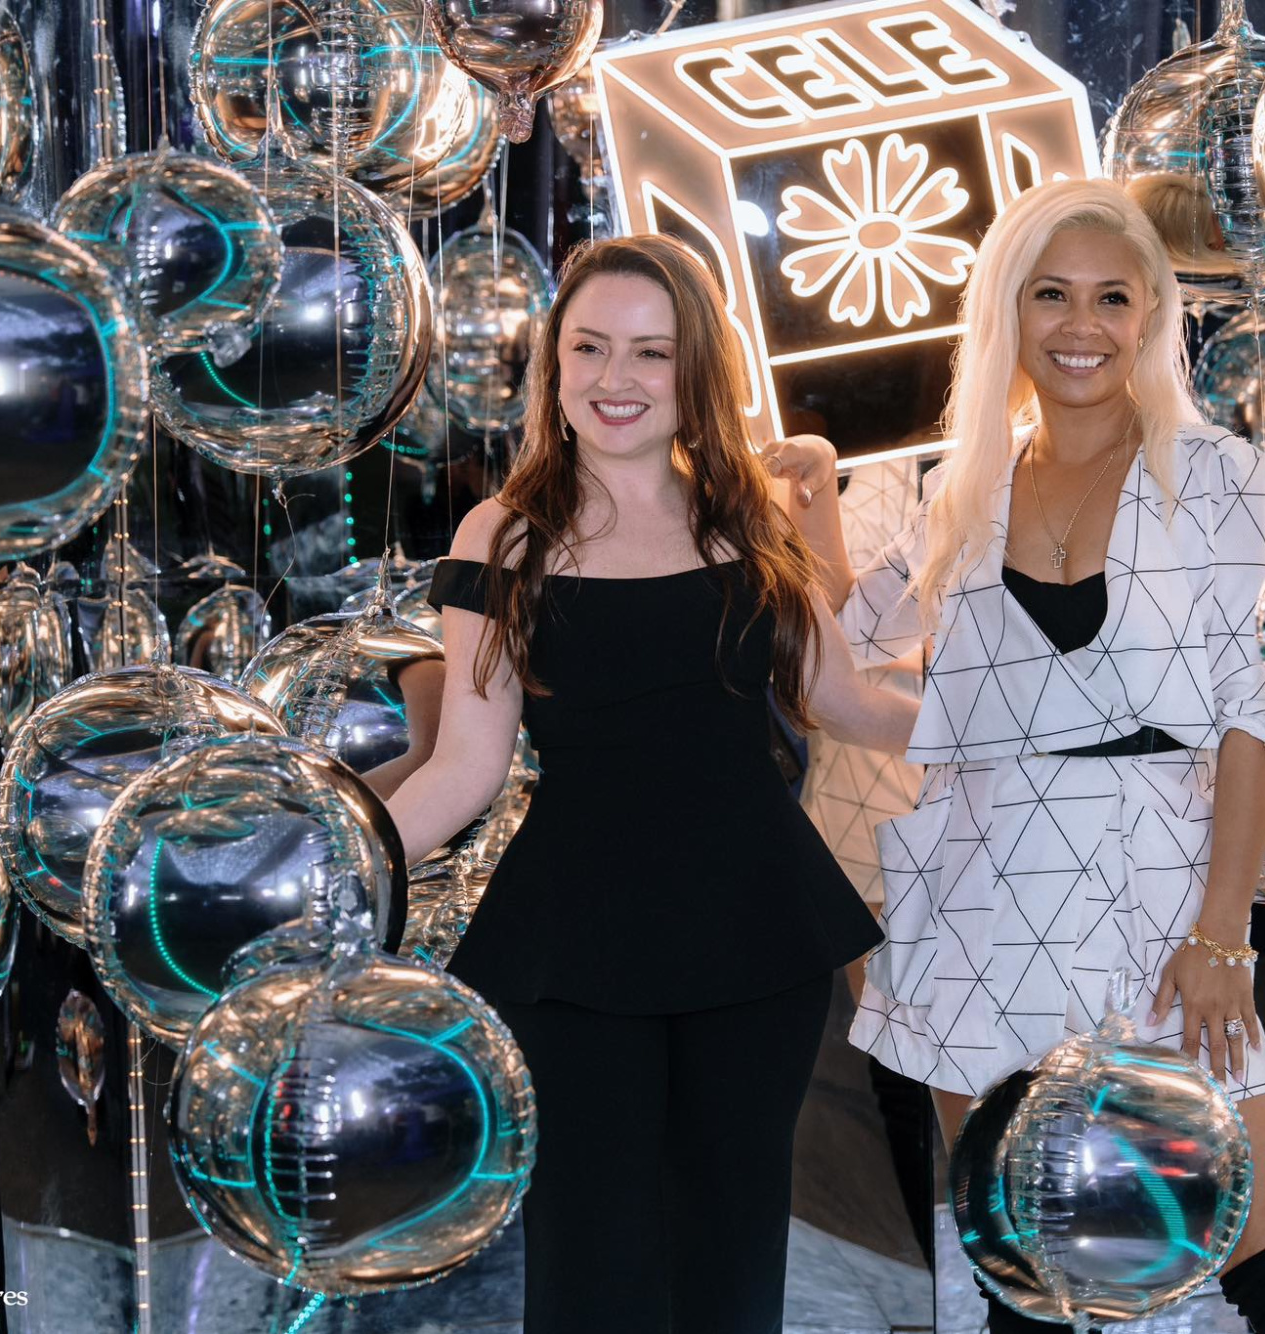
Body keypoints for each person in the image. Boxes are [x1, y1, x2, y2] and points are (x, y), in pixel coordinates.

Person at [766, 178, 1265, 1333]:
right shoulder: (962, 489)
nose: (1079, 324)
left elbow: (1255, 710)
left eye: (1110, 296)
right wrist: (812, 523)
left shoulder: (1219, 478)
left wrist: (1223, 931)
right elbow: (845, 667)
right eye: (1050, 294)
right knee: (1031, 1277)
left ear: (1150, 315)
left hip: (1156, 897)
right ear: (1008, 309)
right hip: (978, 898)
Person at [383, 233, 920, 1333]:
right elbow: (463, 769)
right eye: (589, 347)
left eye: (649, 352)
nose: (615, 379)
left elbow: (846, 701)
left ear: (696, 374)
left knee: (729, 1264)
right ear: (553, 365)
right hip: (573, 949)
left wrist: (1030, 721)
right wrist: (334, 870)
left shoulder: (746, 518)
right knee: (589, 1271)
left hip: (753, 936)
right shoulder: (504, 535)